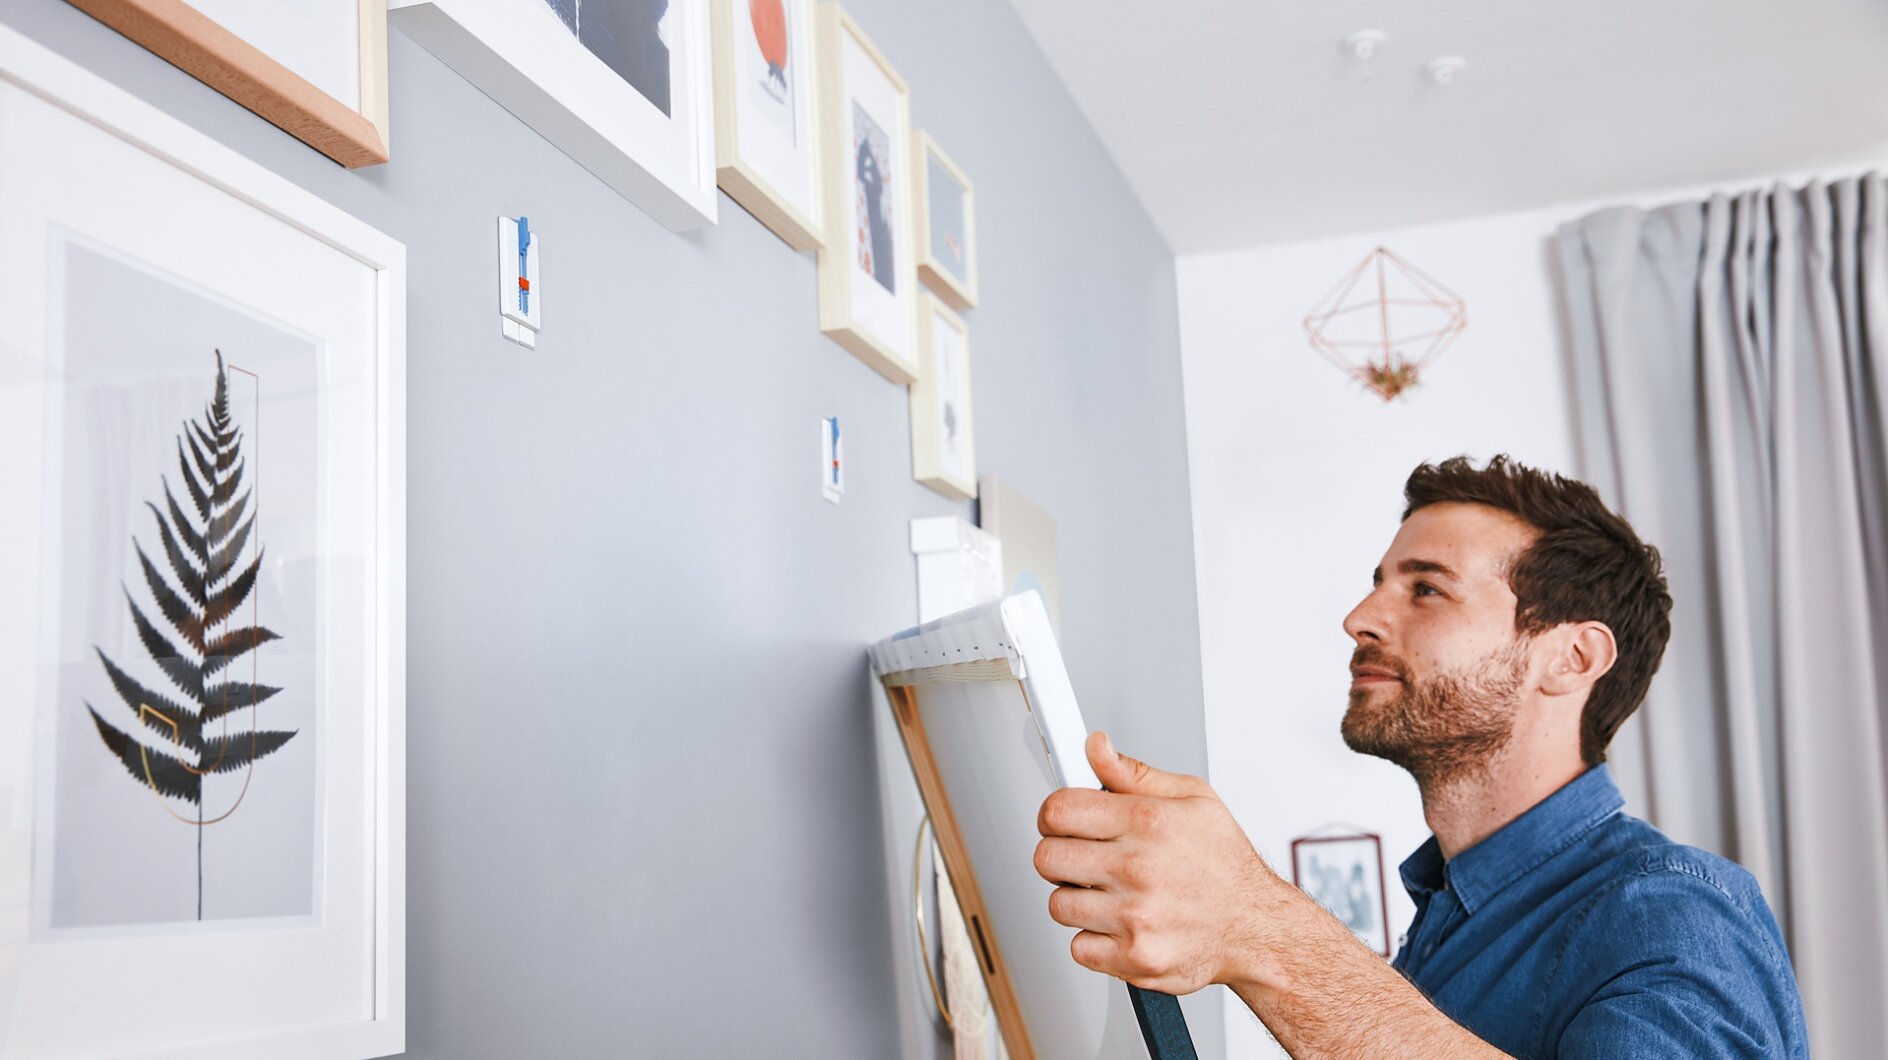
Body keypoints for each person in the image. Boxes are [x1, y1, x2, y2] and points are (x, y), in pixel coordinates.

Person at [1033, 455, 1808, 1057]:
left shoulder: (1676, 913)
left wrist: (1261, 932)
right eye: (1379, 584)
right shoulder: (1447, 916)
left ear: (1571, 658)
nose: (1359, 617)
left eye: (1426, 589)